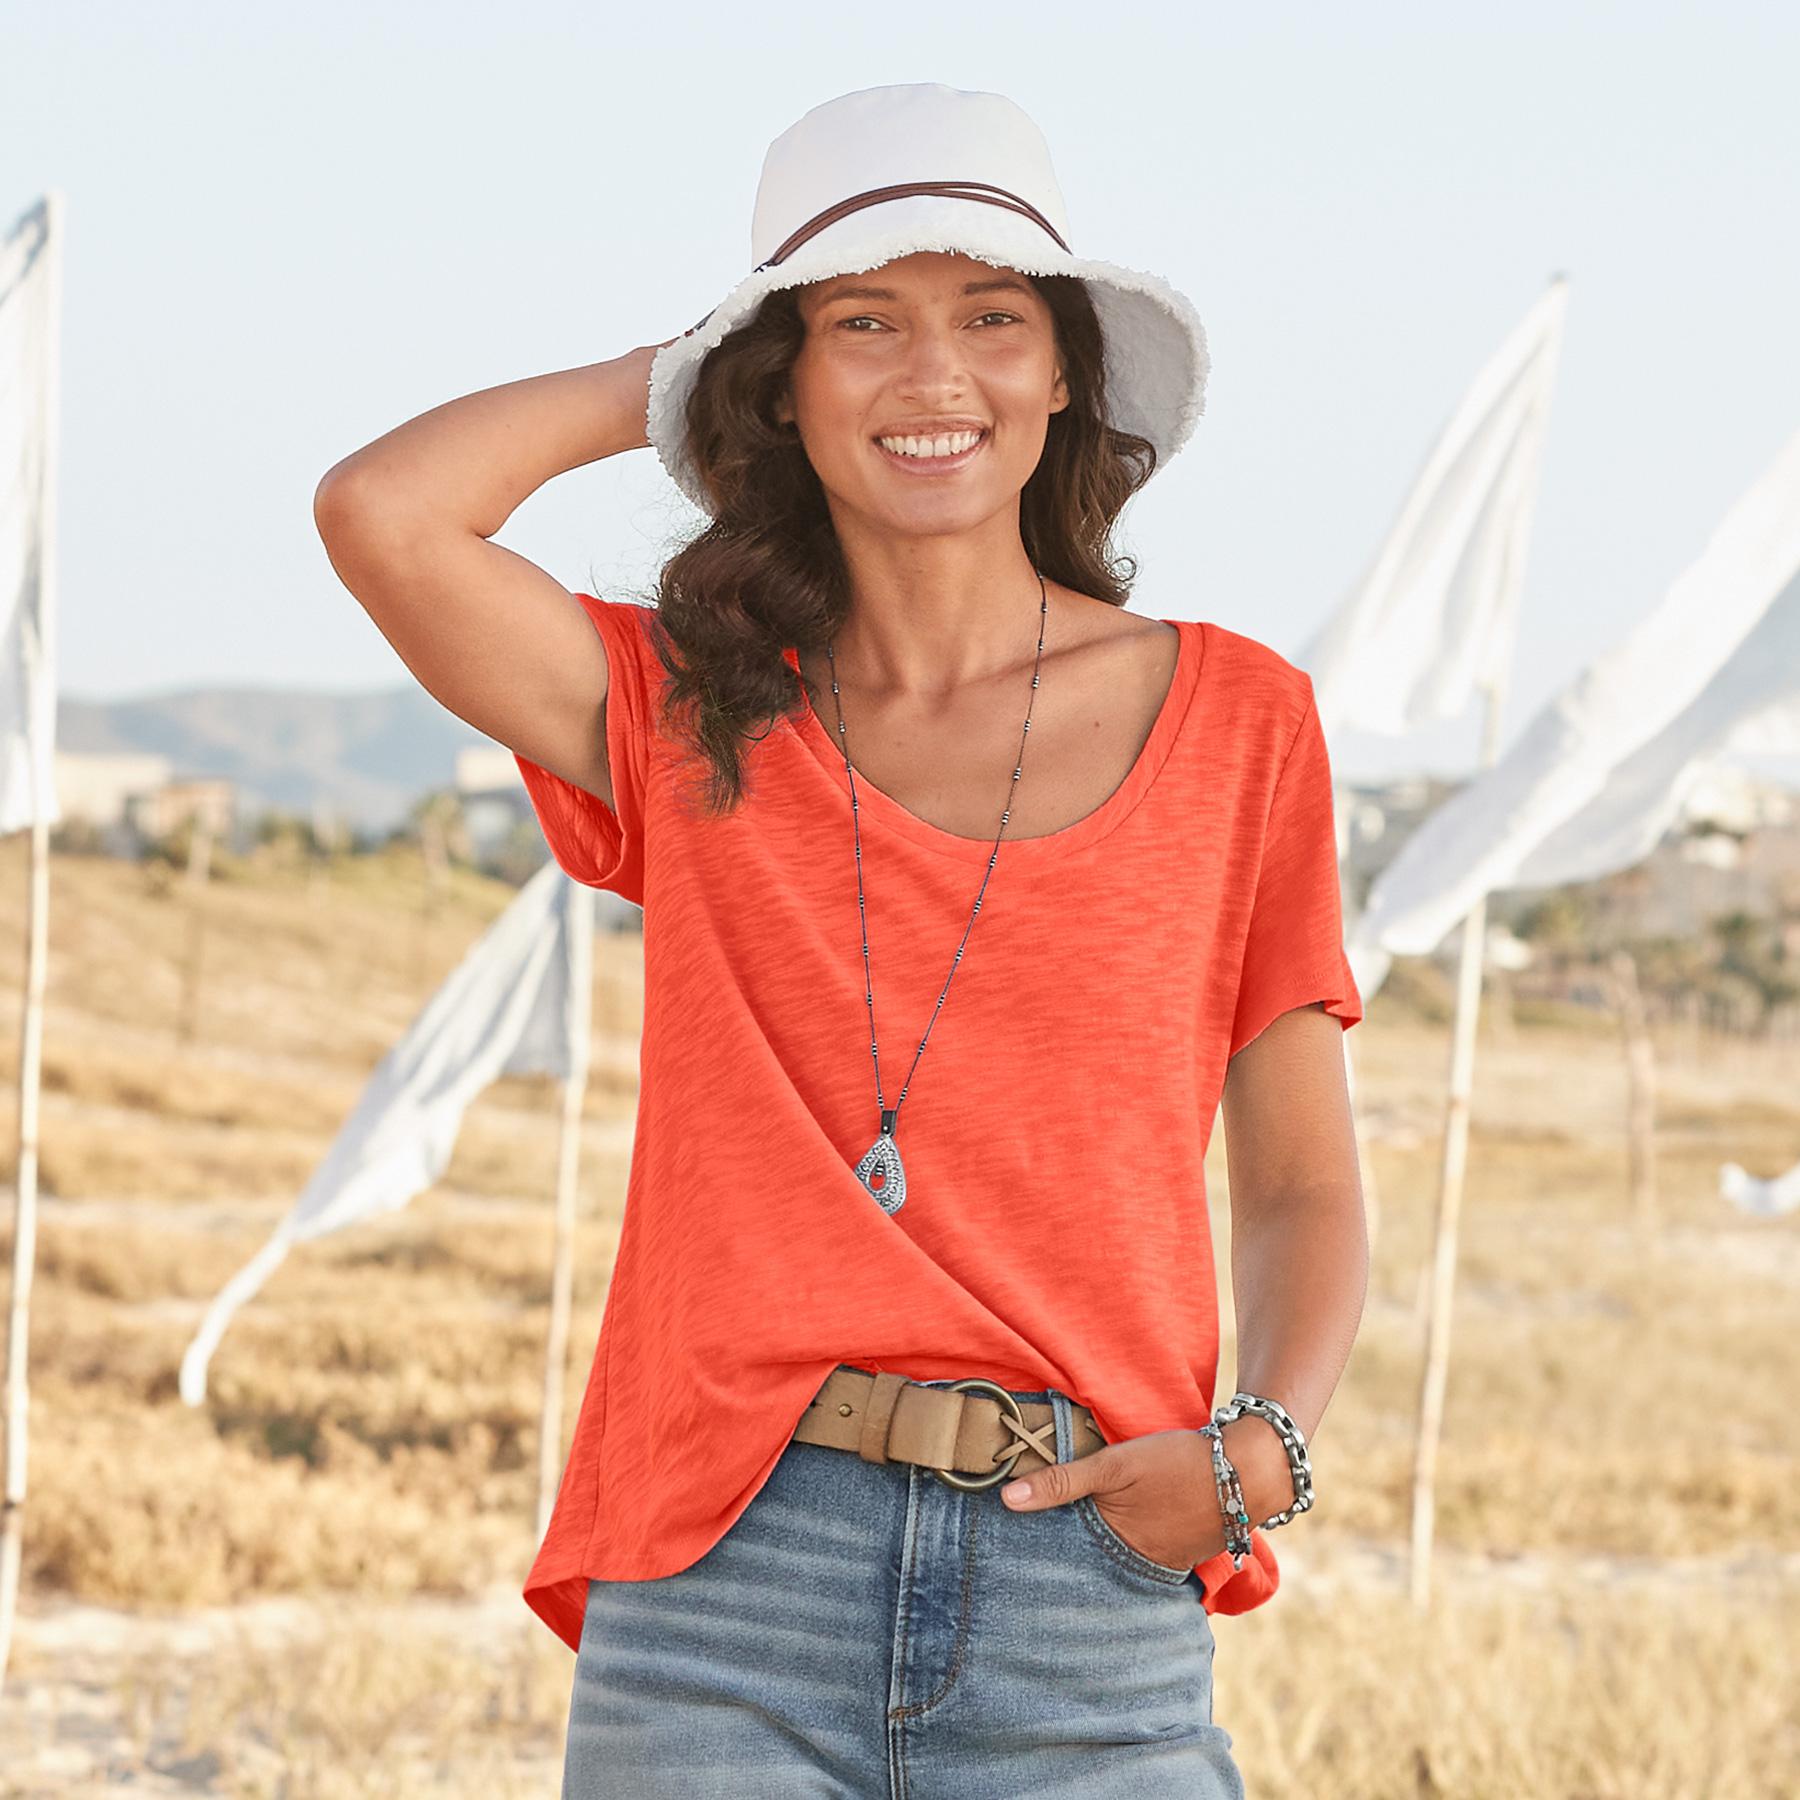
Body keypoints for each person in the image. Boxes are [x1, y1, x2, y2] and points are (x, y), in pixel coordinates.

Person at [315, 81, 1366, 1800]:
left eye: (993, 318)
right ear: (781, 385)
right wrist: (677, 372)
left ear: (1064, 372)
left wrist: (1262, 1456)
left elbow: (1303, 1183)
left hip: (1087, 1576)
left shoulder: (1241, 721)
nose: (934, 375)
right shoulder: (682, 708)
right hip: (727, 1582)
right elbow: (383, 513)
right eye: (863, 323)